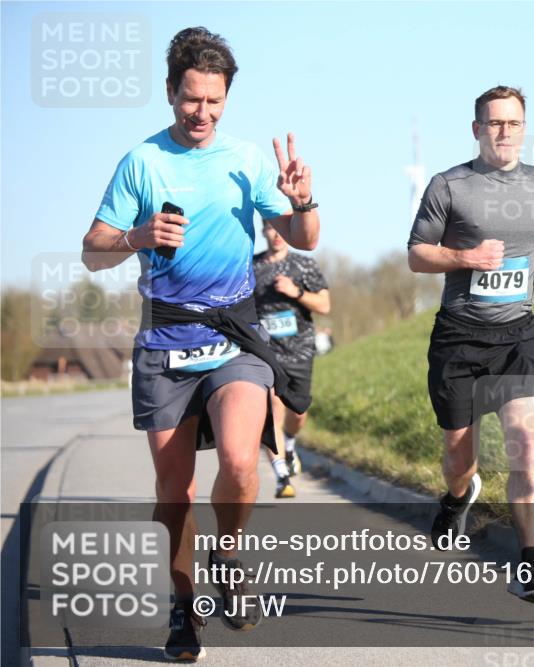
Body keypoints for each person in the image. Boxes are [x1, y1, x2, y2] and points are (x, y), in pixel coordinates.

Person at [81, 27, 320, 661]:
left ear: (226, 99)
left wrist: (304, 201)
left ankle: (230, 555)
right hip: (165, 339)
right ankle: (185, 611)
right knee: (175, 491)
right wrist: (136, 236)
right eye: (192, 99)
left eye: (214, 101)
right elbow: (90, 250)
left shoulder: (247, 159)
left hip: (234, 332)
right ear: (170, 92)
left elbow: (307, 237)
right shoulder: (142, 162)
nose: (202, 113)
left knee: (242, 462)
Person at [407, 85, 534, 608]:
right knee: (459, 459)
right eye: (494, 123)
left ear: (524, 127)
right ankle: (459, 497)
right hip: (459, 337)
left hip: (519, 334)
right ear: (477, 129)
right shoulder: (448, 185)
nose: (504, 132)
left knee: (524, 441)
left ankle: (529, 564)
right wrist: (467, 258)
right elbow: (417, 255)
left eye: (514, 123)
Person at [253, 219, 330, 498]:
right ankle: (282, 475)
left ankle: (289, 444)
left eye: (280, 229)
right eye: (270, 229)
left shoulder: (304, 265)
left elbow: (324, 304)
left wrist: (295, 291)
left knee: (298, 412)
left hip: (300, 349)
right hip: (265, 350)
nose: (276, 235)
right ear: (263, 230)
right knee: (272, 405)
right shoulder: (251, 266)